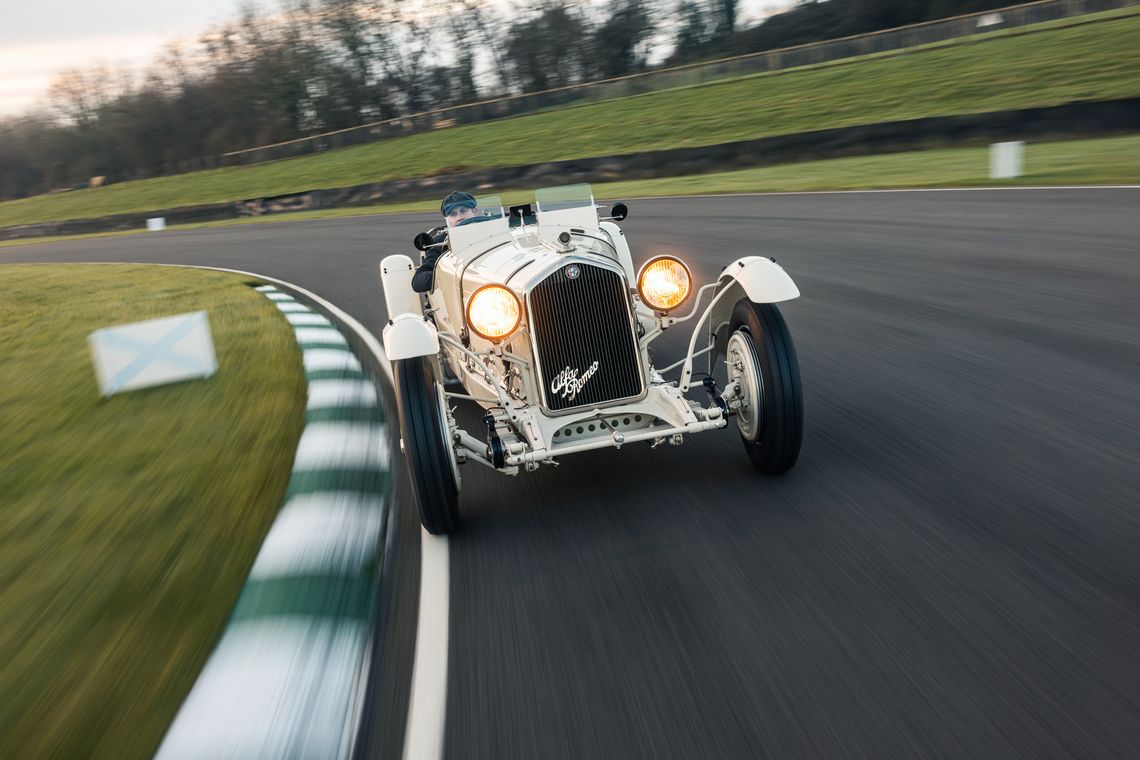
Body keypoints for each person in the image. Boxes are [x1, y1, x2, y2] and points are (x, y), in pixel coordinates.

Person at [411, 191, 476, 293]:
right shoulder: (440, 242)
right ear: (447, 219)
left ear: (474, 211)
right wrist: (447, 275)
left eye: (463, 211)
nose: (459, 217)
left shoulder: (495, 230)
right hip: (461, 293)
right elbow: (418, 281)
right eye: (453, 214)